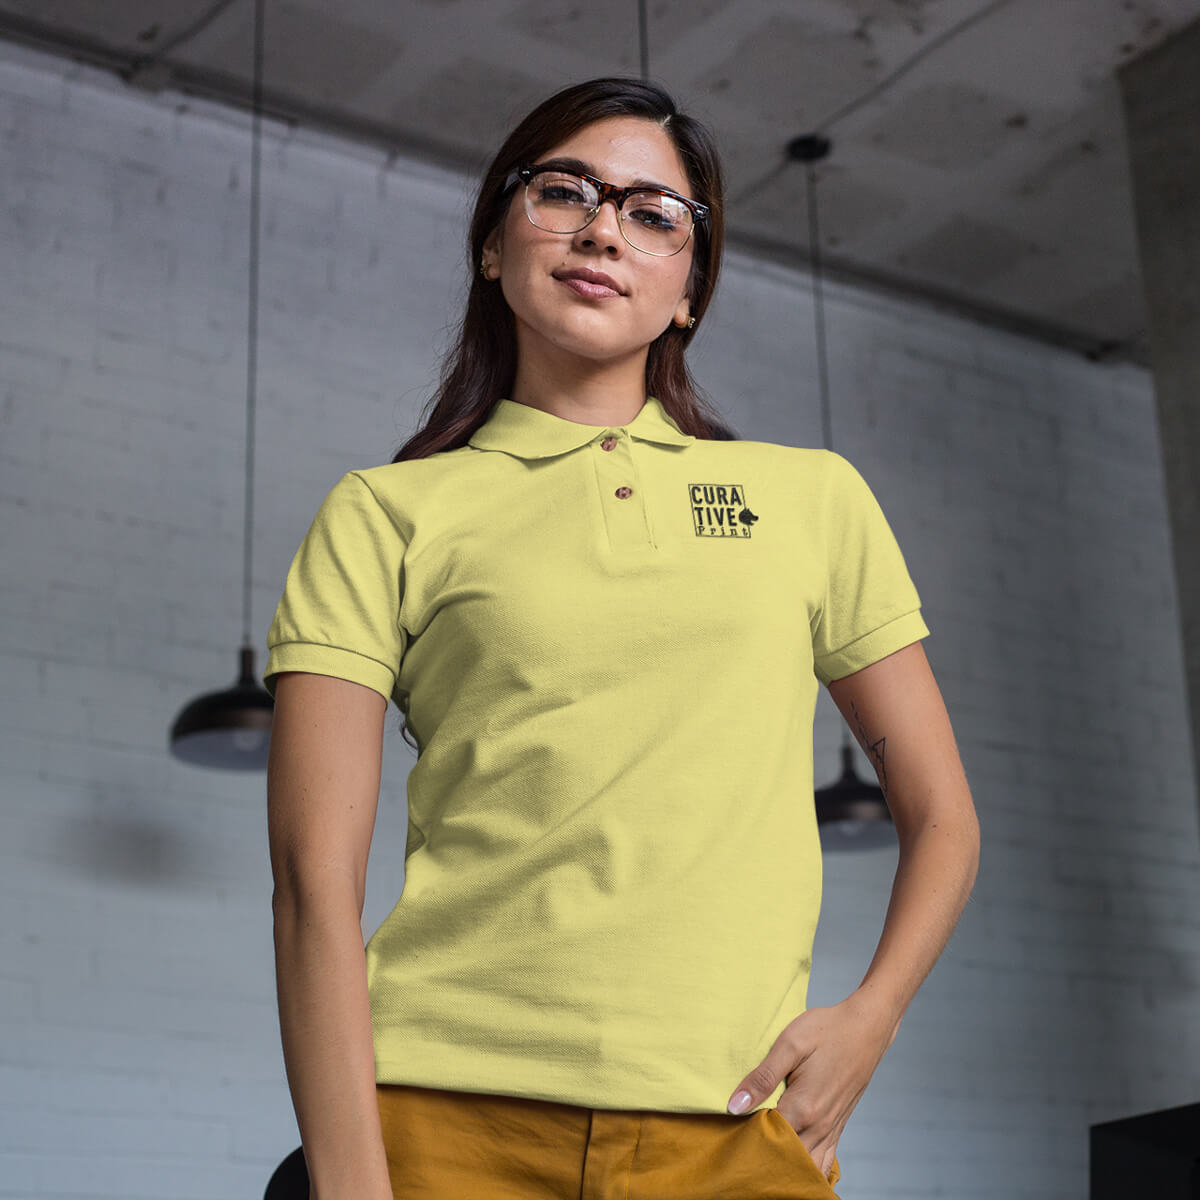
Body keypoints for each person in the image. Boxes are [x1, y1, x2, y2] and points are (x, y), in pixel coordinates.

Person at [264, 76, 980, 1200]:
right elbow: (313, 884)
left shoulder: (812, 500)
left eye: (653, 213)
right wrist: (354, 1185)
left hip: (736, 1128)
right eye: (565, 192)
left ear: (690, 289)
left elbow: (943, 817)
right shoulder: (384, 513)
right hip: (439, 1122)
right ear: (494, 248)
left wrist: (869, 1020)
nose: (604, 226)